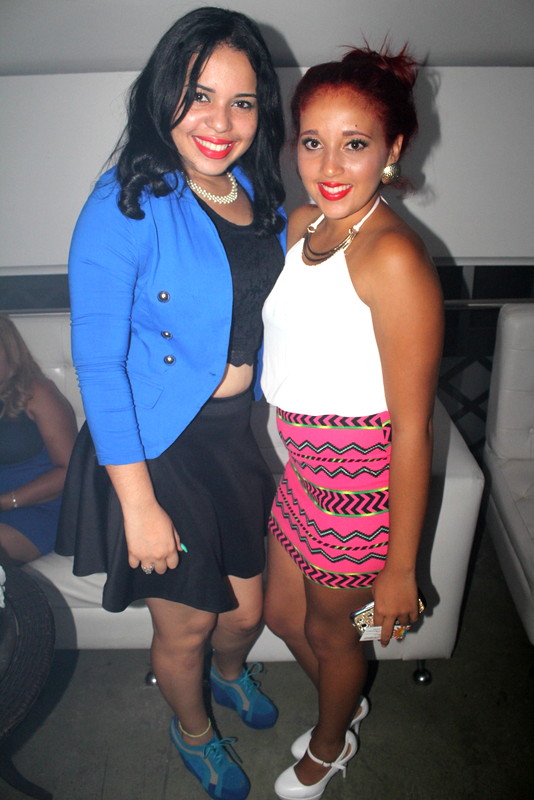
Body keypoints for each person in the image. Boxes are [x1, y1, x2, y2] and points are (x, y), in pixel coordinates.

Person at [56, 8, 286, 800]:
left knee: (246, 613)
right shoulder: (123, 202)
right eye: (198, 95)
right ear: (163, 96)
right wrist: (138, 504)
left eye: (242, 101)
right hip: (158, 446)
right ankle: (193, 733)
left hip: (232, 437)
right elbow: (98, 363)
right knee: (186, 624)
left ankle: (230, 674)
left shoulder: (254, 190)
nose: (220, 122)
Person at [261, 45, 444, 799]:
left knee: (331, 632)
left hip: (357, 483)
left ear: (392, 150)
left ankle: (331, 742)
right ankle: (348, 696)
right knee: (282, 615)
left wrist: (400, 569)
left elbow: (413, 429)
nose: (329, 166)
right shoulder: (305, 223)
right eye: (313, 141)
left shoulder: (394, 258)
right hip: (302, 472)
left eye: (355, 143)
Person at [0, 315, 77, 564]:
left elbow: (69, 470)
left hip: (40, 508)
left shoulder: (37, 392)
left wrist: (6, 502)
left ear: (9, 350)